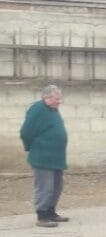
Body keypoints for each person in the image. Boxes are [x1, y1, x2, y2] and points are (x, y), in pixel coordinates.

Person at [20, 84, 68, 228]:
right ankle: (42, 216)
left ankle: (51, 212)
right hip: (43, 156)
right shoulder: (37, 109)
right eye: (57, 98)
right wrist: (32, 149)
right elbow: (26, 132)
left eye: (60, 98)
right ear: (46, 97)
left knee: (57, 186)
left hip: (56, 157)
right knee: (44, 187)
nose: (60, 101)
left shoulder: (53, 109)